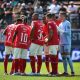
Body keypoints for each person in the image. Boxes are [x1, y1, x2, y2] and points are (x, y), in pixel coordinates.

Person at [59, 11, 75, 76]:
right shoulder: (60, 24)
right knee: (63, 58)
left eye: (60, 15)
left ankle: (72, 72)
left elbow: (68, 32)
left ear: (64, 16)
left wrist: (60, 30)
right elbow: (60, 34)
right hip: (61, 43)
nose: (59, 17)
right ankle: (65, 72)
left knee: (68, 57)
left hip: (67, 43)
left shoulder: (67, 23)